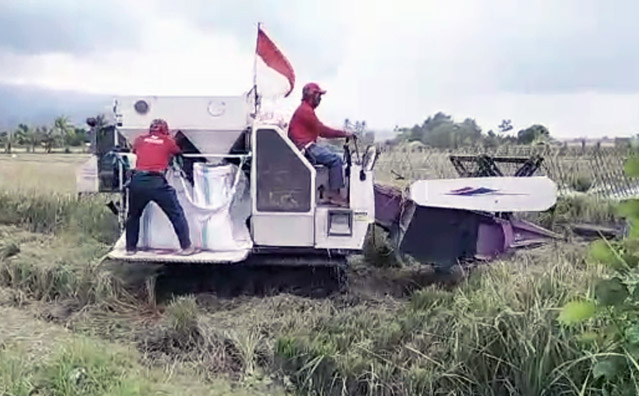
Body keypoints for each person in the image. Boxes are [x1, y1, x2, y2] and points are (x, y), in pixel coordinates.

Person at [125, 118, 195, 256]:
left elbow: (134, 152)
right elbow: (178, 152)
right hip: (156, 181)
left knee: (133, 215)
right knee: (176, 213)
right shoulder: (167, 141)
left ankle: (130, 249)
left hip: (137, 180)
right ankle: (186, 247)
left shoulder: (140, 139)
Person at [288, 82, 354, 206]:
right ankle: (334, 194)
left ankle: (329, 190)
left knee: (337, 153)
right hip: (306, 148)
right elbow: (323, 131)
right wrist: (345, 134)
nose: (320, 99)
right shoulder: (305, 111)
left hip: (305, 146)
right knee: (336, 160)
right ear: (311, 95)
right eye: (319, 95)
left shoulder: (305, 109)